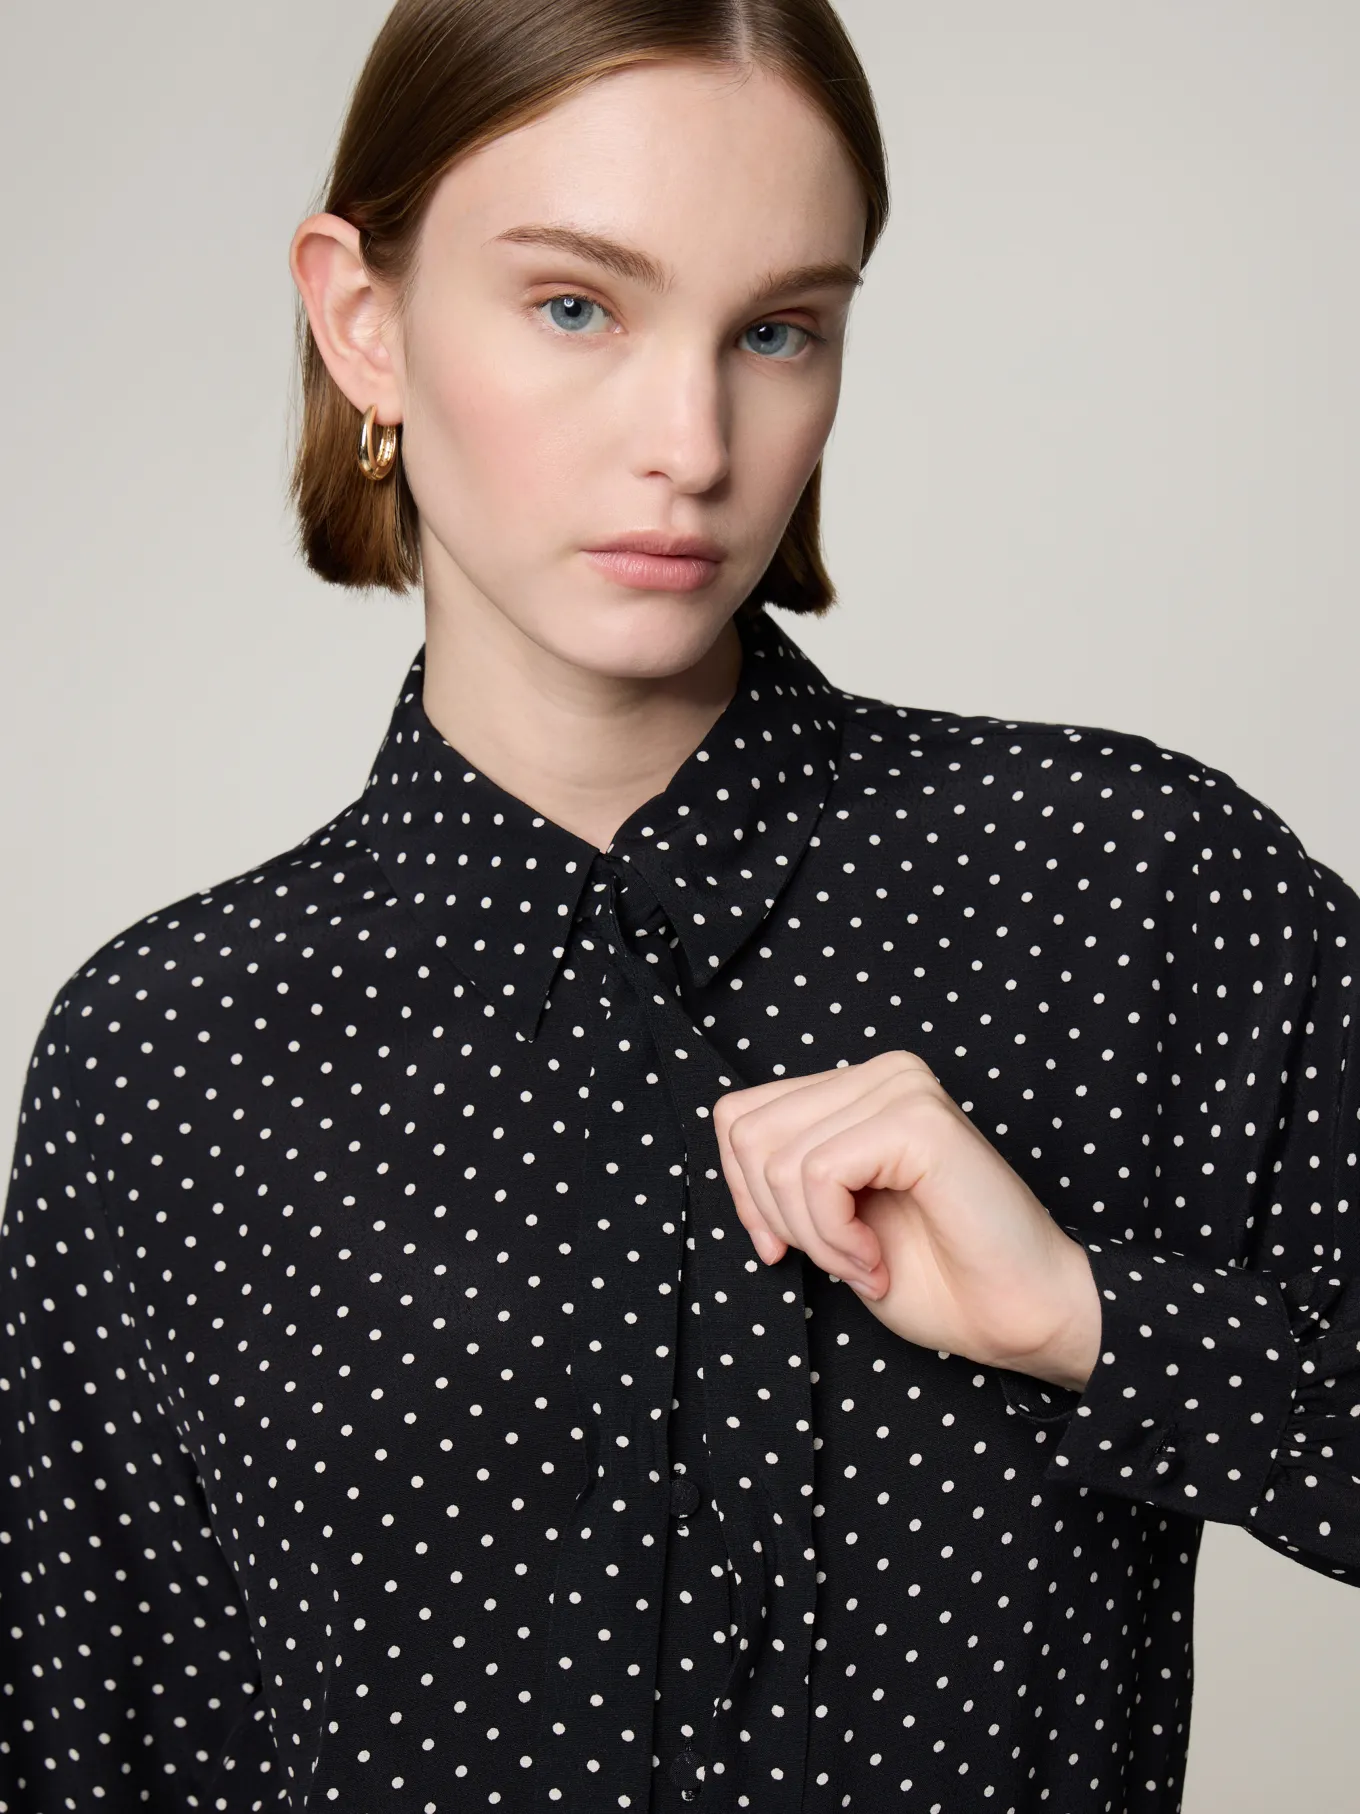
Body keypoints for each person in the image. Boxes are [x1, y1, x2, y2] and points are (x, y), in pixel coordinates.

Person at [2, 0, 1357, 1809]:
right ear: (362, 319)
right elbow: (96, 1753)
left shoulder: (1133, 891)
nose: (693, 440)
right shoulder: (164, 1061)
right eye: (577, 305)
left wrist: (1090, 1321)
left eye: (777, 329)